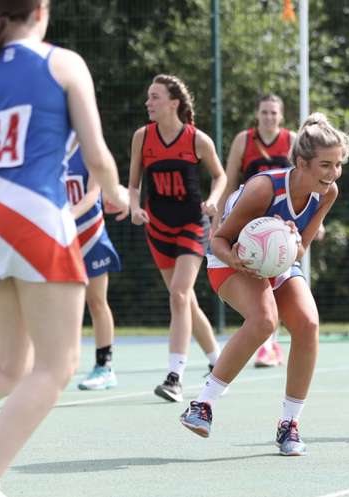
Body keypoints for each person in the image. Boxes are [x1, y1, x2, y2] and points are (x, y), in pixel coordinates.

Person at [0, 1, 129, 496]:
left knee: (9, 366)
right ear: (41, 9)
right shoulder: (62, 63)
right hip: (36, 217)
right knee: (58, 366)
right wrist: (117, 194)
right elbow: (96, 156)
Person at [179, 112, 349, 456]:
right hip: (232, 257)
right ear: (301, 163)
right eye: (325, 165)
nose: (333, 173)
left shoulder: (327, 192)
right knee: (263, 321)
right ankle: (202, 405)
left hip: (276, 258)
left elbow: (302, 246)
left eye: (338, 165)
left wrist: (288, 241)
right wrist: (240, 260)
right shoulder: (263, 188)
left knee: (308, 323)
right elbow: (218, 240)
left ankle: (289, 425)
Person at [128, 74, 226, 403]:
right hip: (158, 228)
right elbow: (133, 185)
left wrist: (214, 200)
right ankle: (217, 361)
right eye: (148, 97)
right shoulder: (143, 137)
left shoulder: (197, 140)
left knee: (180, 294)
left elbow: (220, 175)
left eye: (154, 97)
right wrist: (133, 207)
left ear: (174, 103)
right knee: (183, 299)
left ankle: (174, 377)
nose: (148, 103)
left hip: (191, 225)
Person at [217, 94, 295, 368]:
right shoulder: (244, 140)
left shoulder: (291, 140)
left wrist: (312, 221)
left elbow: (303, 183)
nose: (269, 117)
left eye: (274, 113)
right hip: (249, 221)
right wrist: (219, 216)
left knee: (277, 278)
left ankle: (270, 344)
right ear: (257, 114)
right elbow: (229, 180)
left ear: (281, 116)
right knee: (254, 278)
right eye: (264, 112)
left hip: (279, 223)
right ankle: (267, 343)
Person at [64, 134, 122, 390]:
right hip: (60, 238)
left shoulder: (91, 150)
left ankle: (104, 367)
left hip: (89, 235)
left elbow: (91, 195)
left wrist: (65, 216)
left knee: (96, 301)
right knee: (62, 304)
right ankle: (59, 365)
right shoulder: (50, 147)